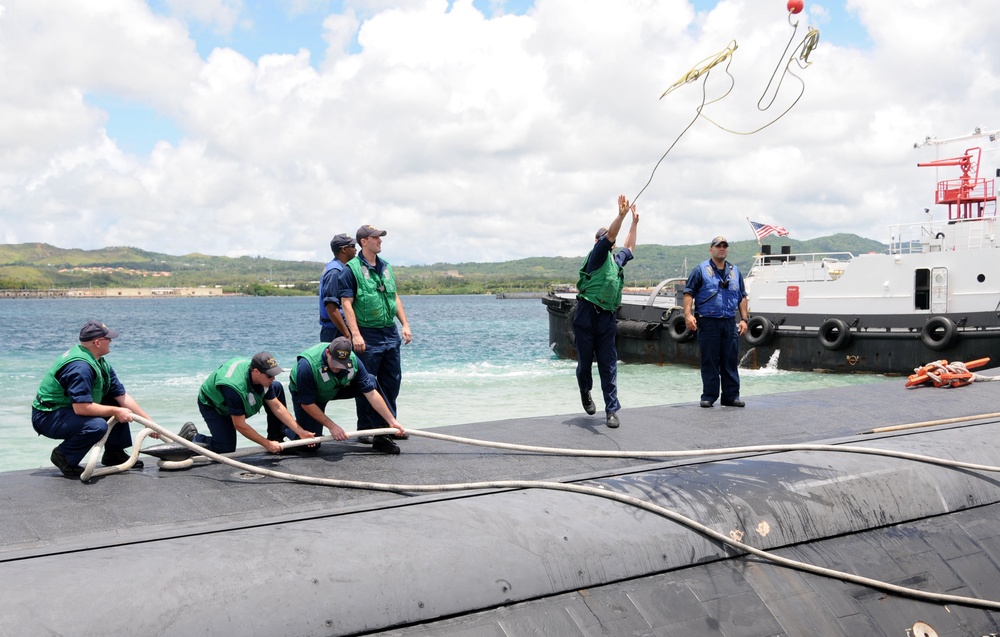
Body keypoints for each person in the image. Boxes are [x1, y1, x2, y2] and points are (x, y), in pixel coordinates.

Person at [31, 320, 155, 478]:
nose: (111, 341)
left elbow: (121, 396)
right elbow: (81, 408)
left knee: (115, 403)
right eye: (108, 338)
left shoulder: (99, 361)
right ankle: (64, 456)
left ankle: (114, 454)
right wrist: (115, 411)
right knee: (97, 425)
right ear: (97, 342)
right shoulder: (80, 367)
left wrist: (149, 422)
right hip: (48, 416)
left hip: (66, 410)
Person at [338, 224, 412, 453]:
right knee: (367, 382)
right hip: (367, 334)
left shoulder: (386, 266)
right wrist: (355, 334)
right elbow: (346, 304)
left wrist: (405, 324)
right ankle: (367, 429)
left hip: (389, 331)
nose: (380, 241)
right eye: (375, 238)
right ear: (363, 241)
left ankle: (388, 426)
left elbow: (394, 297)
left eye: (380, 238)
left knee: (392, 381)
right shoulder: (351, 269)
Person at [573, 194, 639, 428]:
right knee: (584, 364)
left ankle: (611, 410)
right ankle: (585, 391)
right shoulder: (597, 255)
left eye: (608, 239)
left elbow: (629, 247)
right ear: (597, 241)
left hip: (607, 317)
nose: (608, 240)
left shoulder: (616, 260)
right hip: (586, 314)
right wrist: (620, 215)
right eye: (603, 238)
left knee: (609, 363)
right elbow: (612, 234)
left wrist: (634, 223)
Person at [287, 337, 407, 454]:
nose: (336, 368)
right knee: (309, 446)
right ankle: (284, 427)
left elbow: (371, 393)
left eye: (341, 364)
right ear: (328, 352)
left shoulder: (354, 360)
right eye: (335, 362)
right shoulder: (307, 365)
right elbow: (307, 404)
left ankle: (381, 435)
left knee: (370, 381)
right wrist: (332, 426)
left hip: (337, 387)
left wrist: (391, 420)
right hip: (311, 396)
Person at [185, 352, 315, 454]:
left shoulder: (260, 378)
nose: (273, 378)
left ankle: (277, 436)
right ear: (256, 372)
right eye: (269, 375)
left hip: (238, 395)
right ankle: (192, 437)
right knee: (225, 448)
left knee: (276, 386)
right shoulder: (234, 389)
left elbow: (277, 406)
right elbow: (240, 425)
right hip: (213, 405)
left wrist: (300, 431)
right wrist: (266, 444)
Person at [683, 236, 749, 408]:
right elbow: (688, 293)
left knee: (730, 360)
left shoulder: (735, 272)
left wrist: (744, 319)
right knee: (710, 360)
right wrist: (688, 315)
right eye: (718, 246)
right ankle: (709, 396)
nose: (722, 248)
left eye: (725, 246)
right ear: (711, 249)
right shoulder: (700, 270)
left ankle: (731, 396)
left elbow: (742, 296)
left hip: (728, 322)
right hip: (708, 322)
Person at [319, 233, 357, 342]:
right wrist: (347, 335)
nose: (356, 250)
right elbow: (331, 307)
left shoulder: (336, 267)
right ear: (344, 250)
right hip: (336, 331)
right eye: (353, 247)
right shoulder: (335, 272)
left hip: (336, 329)